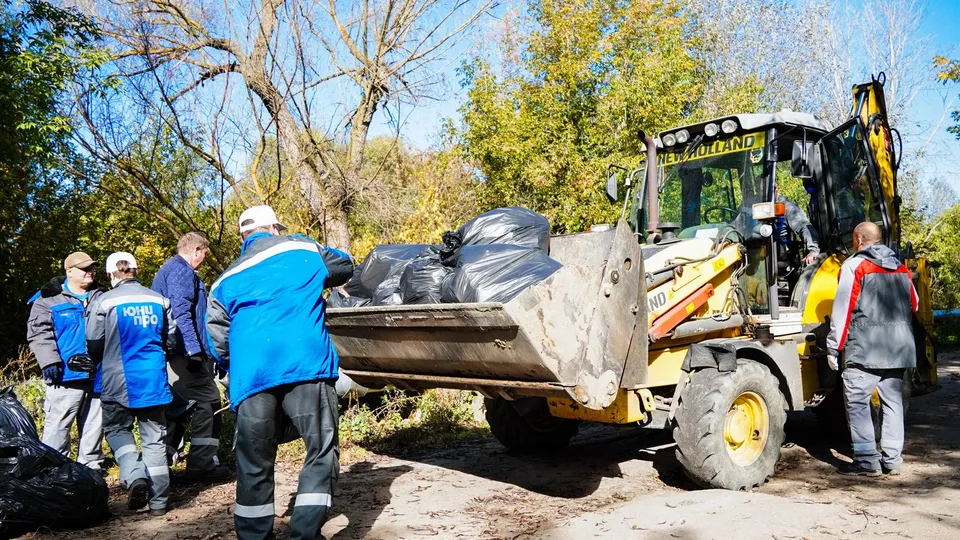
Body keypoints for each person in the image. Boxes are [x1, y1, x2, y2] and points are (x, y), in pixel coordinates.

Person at [206, 205, 354, 540]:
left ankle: (255, 535)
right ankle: (304, 532)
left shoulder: (224, 279)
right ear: (274, 227)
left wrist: (234, 367)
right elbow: (345, 265)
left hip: (251, 380)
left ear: (243, 236)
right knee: (320, 449)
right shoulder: (300, 248)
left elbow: (216, 336)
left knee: (253, 462)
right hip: (306, 368)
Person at [85, 252, 178, 515]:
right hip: (153, 380)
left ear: (111, 274)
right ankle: (159, 503)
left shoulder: (104, 301)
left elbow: (93, 342)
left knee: (116, 430)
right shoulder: (159, 299)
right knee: (155, 441)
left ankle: (134, 475)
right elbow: (171, 340)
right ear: (136, 270)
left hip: (117, 381)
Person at [826, 222, 917, 477]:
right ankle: (892, 460)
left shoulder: (855, 266)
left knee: (857, 403)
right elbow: (915, 303)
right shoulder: (900, 266)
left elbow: (843, 311)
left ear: (857, 240)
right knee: (893, 404)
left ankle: (867, 461)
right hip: (898, 349)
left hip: (864, 350)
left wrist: (834, 347)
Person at [151, 232, 228, 482]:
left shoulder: (169, 269)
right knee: (209, 402)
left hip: (176, 353)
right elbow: (181, 312)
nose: (204, 260)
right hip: (185, 355)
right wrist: (195, 351)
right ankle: (202, 464)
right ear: (196, 250)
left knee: (179, 407)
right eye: (204, 254)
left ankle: (160, 463)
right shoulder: (182, 271)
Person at [26, 251, 106, 473]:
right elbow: (38, 334)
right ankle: (54, 470)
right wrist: (49, 361)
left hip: (98, 374)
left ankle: (90, 469)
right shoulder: (47, 299)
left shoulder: (102, 296)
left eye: (91, 268)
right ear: (69, 271)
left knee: (94, 425)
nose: (90, 272)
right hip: (65, 375)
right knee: (58, 425)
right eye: (84, 268)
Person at [775, 185, 820, 266]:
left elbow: (804, 225)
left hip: (781, 256)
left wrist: (813, 250)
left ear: (775, 188)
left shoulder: (787, 207)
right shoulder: (754, 206)